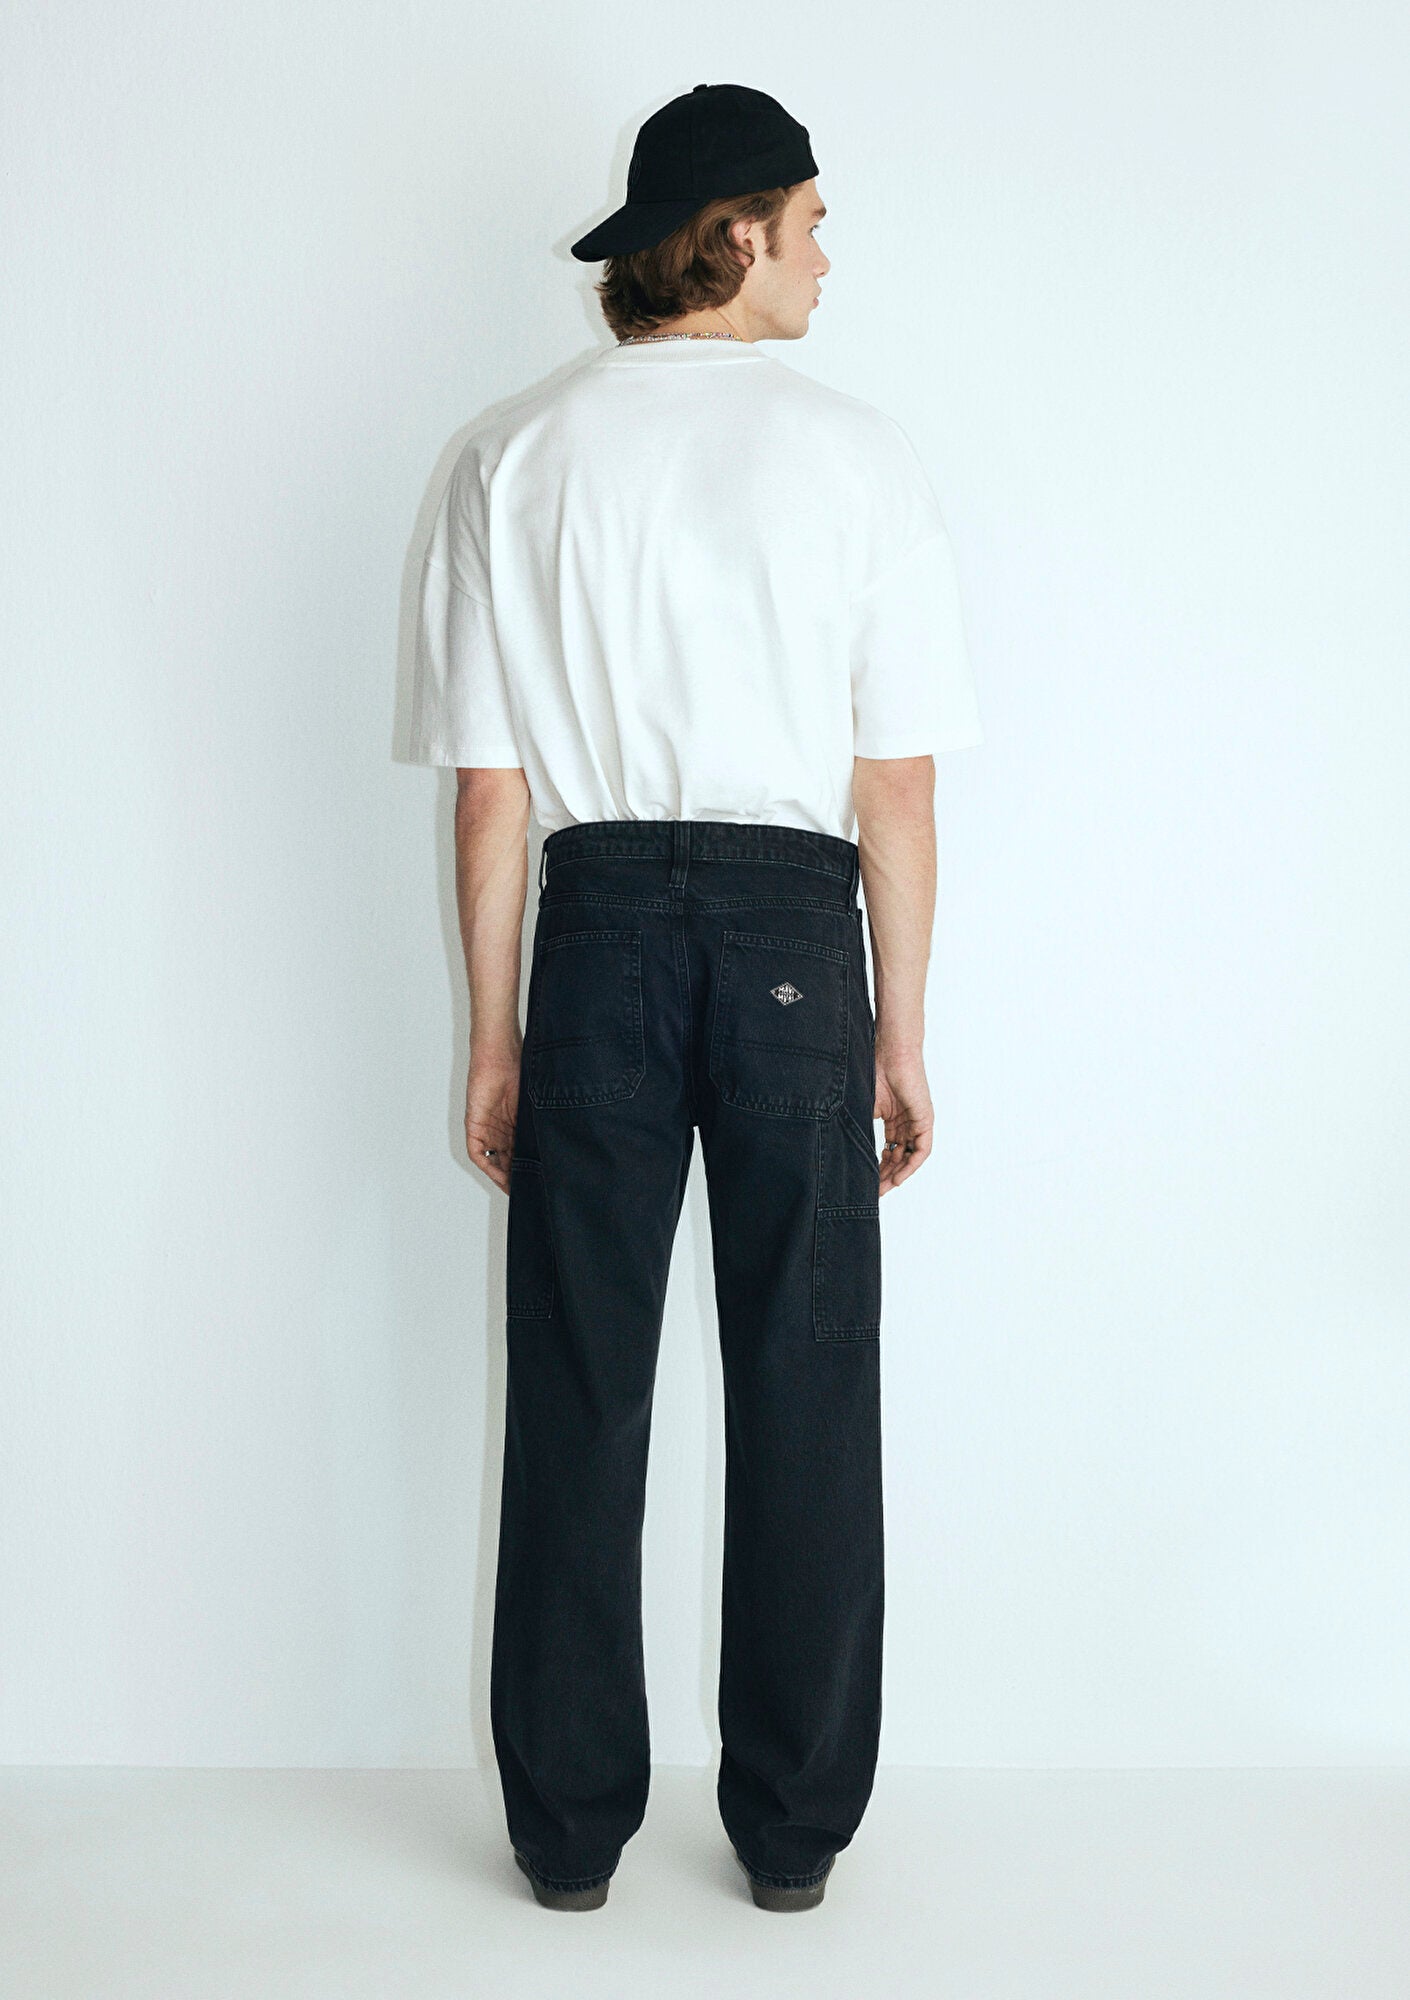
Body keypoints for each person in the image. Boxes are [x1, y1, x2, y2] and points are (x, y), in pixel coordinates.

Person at [405, 81, 983, 1914]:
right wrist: (899, 1029)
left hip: (592, 937)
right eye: (808, 222)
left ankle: (567, 1839)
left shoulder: (509, 456)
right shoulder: (858, 457)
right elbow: (896, 783)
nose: (823, 256)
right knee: (806, 1377)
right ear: (732, 233)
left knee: (577, 1381)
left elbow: (491, 788)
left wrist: (493, 1033)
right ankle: (792, 1838)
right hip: (799, 936)